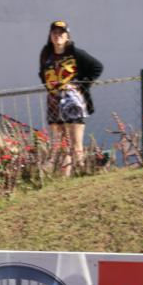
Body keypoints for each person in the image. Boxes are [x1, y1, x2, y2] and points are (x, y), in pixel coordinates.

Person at [39, 20, 104, 176]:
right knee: (60, 143)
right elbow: (42, 73)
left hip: (72, 100)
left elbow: (97, 67)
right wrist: (50, 88)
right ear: (50, 35)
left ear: (67, 35)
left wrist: (81, 85)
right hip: (54, 101)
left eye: (61, 33)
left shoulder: (75, 53)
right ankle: (65, 177)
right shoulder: (46, 53)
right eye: (54, 33)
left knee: (76, 143)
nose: (58, 36)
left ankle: (81, 172)